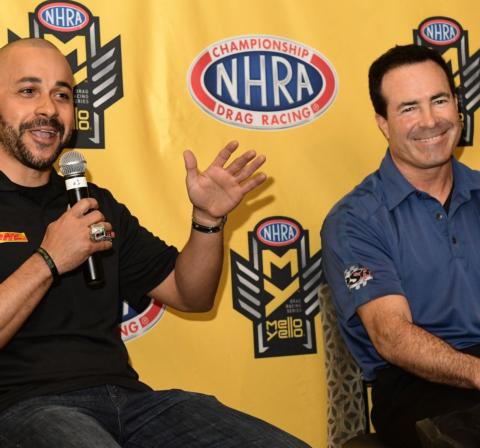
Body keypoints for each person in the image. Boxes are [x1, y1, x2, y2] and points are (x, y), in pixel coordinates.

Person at [0, 38, 309, 448]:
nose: (49, 109)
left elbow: (190, 293)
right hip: (24, 407)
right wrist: (50, 258)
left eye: (62, 94)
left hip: (129, 403)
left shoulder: (94, 202)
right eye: (28, 91)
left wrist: (208, 221)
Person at [321, 44, 480, 448]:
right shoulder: (355, 220)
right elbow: (392, 337)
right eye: (409, 108)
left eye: (439, 100)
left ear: (458, 107)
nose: (430, 121)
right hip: (417, 386)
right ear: (383, 123)